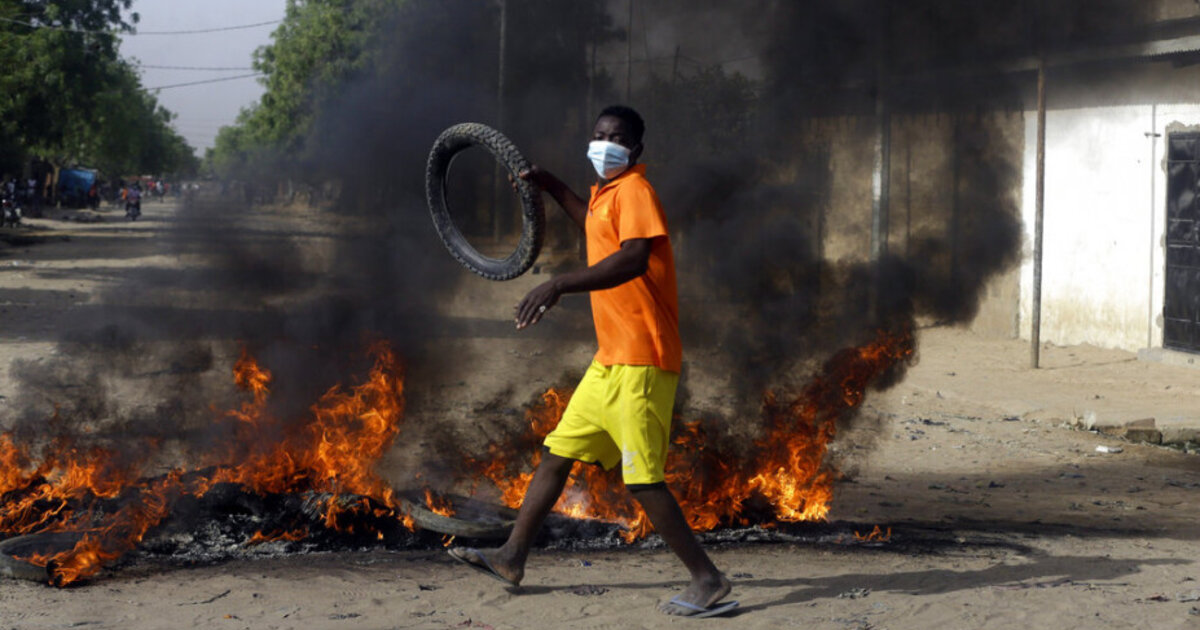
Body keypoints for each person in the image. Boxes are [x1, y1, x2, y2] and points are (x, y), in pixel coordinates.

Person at [448, 106, 737, 619]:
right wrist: (550, 185)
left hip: (643, 359)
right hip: (610, 361)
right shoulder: (608, 194)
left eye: (617, 138)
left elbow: (633, 257)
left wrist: (558, 284)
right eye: (600, 135)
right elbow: (592, 224)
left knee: (643, 480)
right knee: (557, 455)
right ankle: (511, 558)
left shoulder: (636, 191)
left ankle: (707, 579)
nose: (605, 144)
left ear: (636, 150)